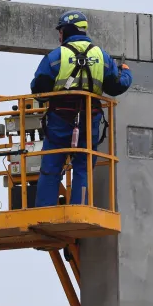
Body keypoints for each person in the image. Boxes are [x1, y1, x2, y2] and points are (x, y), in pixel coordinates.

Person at [30, 10, 132, 207]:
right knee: (83, 168)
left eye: (60, 31)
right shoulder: (101, 56)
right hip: (89, 119)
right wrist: (126, 72)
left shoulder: (56, 56)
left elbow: (38, 89)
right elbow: (116, 86)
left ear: (68, 30)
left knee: (51, 168)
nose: (59, 36)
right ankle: (80, 208)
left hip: (60, 119)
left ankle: (45, 210)